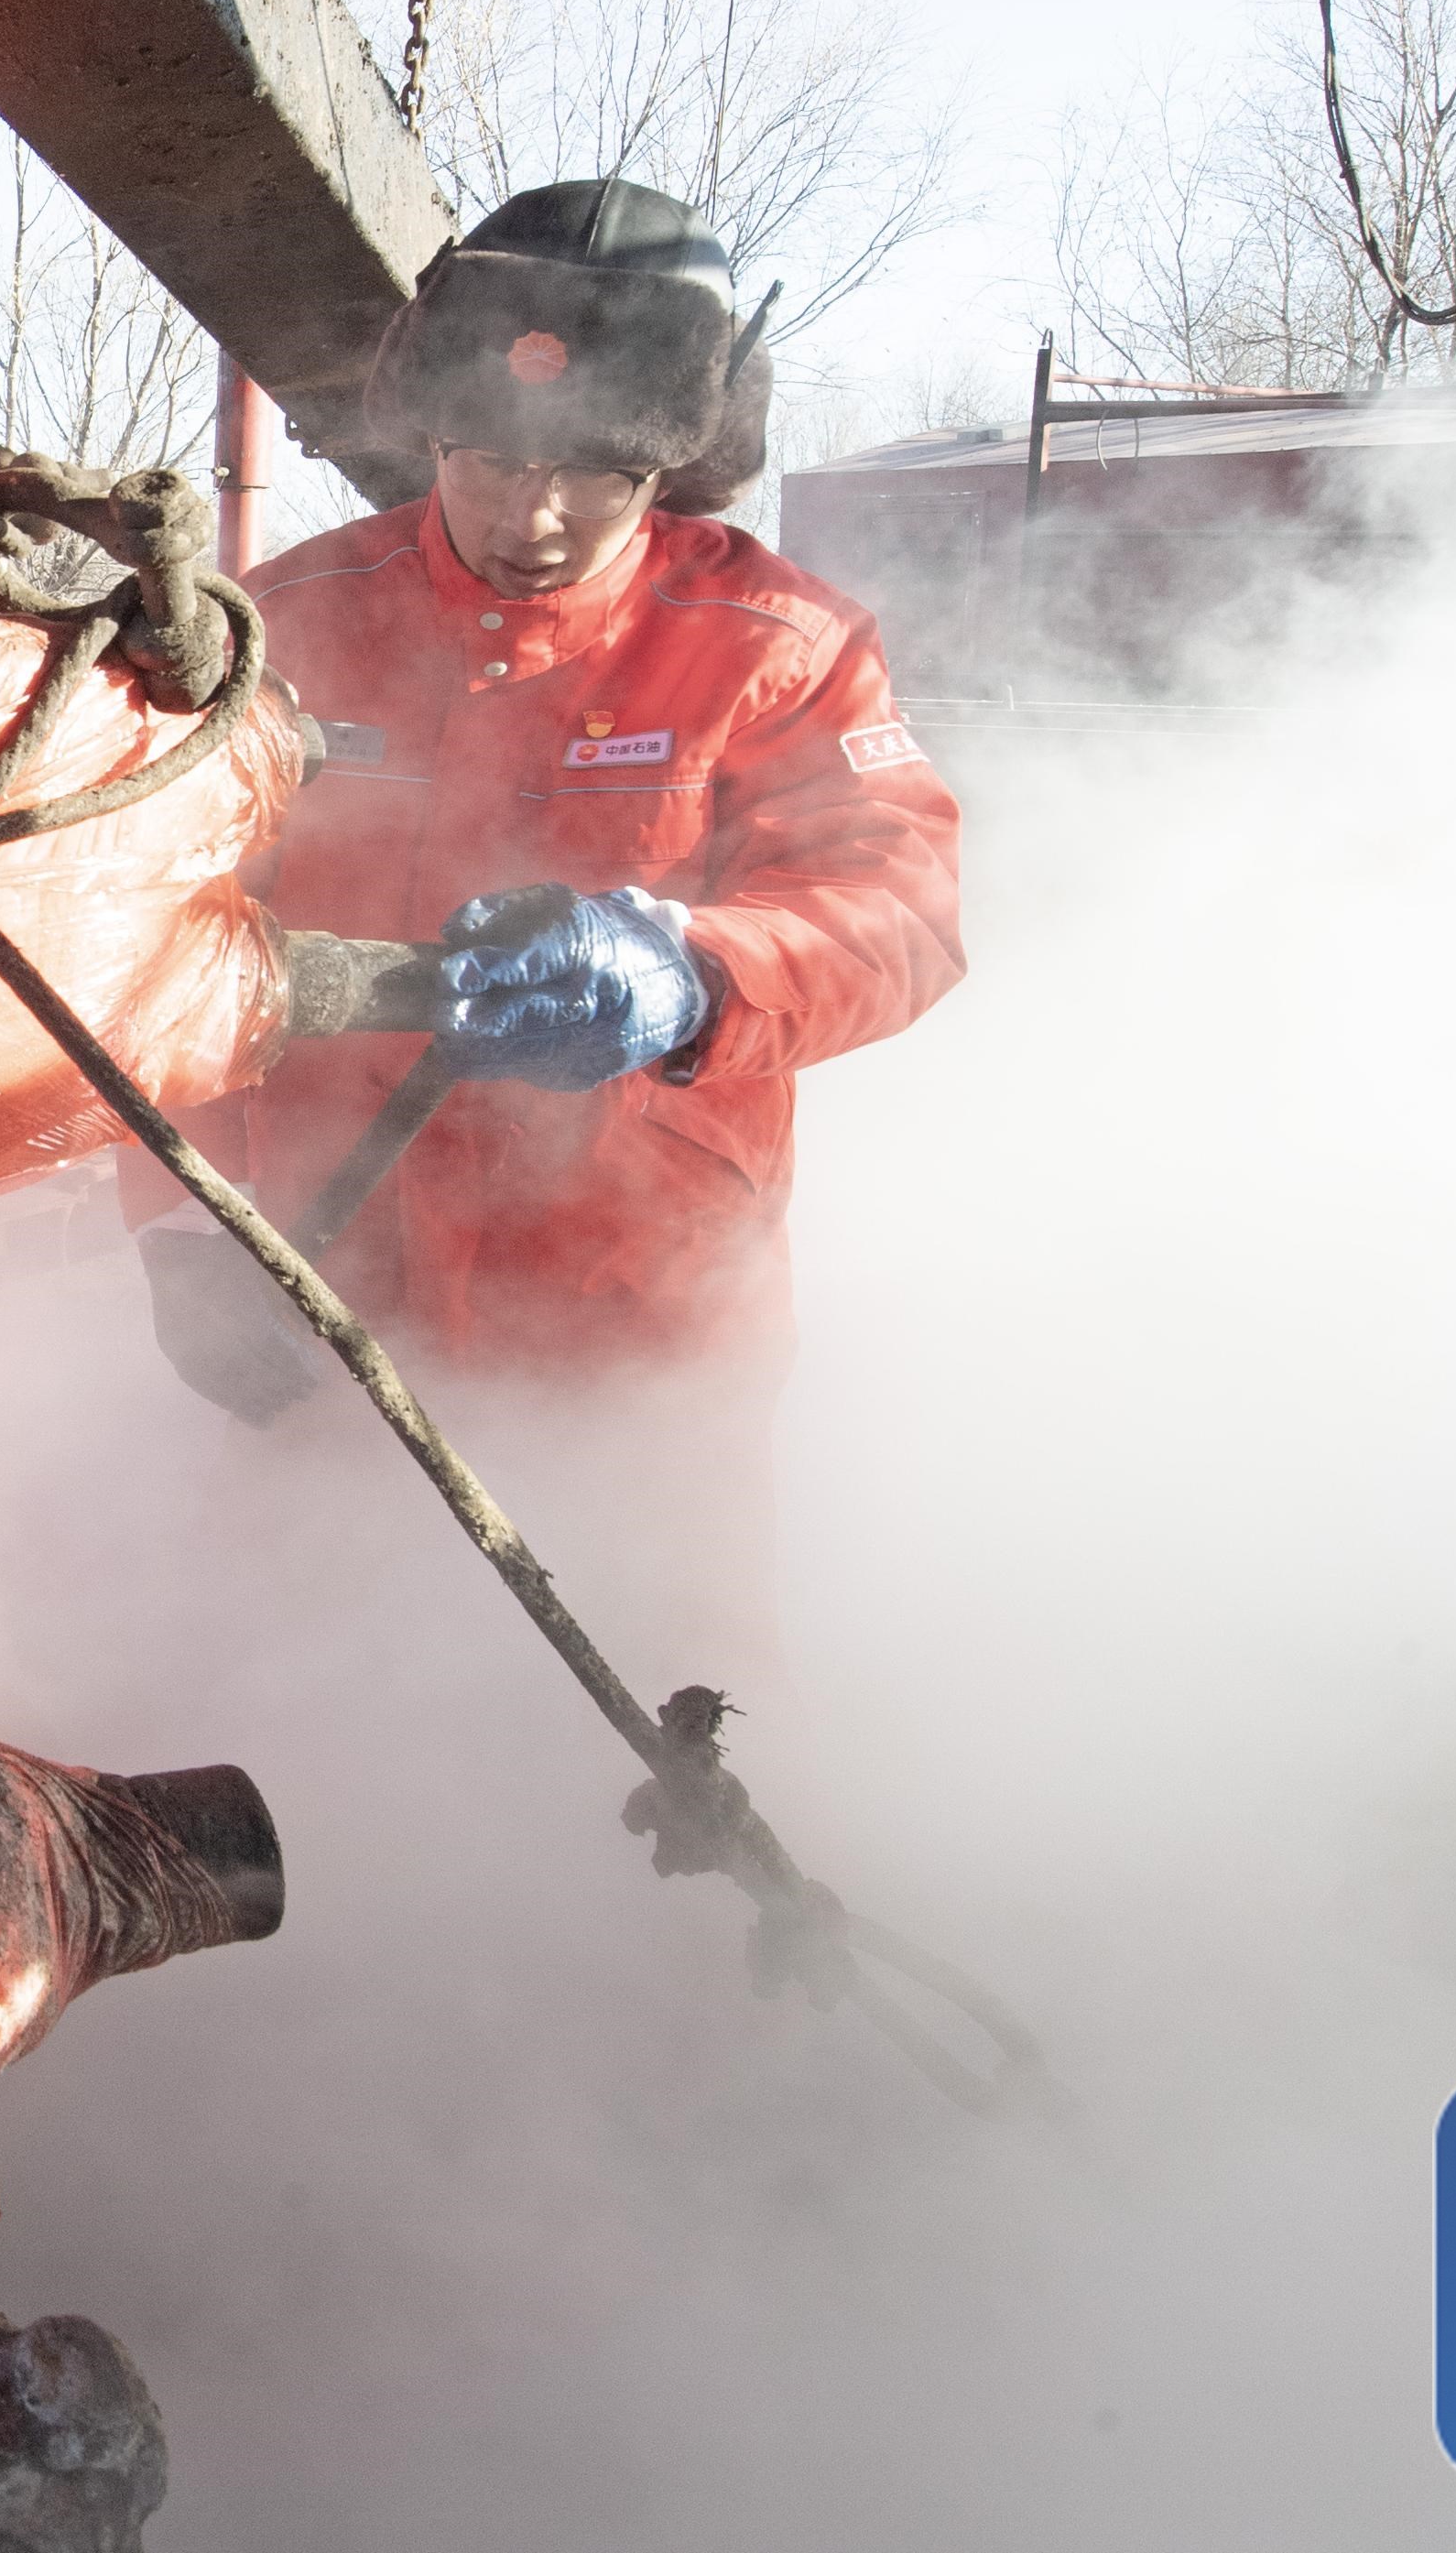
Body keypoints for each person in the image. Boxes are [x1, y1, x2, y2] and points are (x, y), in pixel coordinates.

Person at [144, 179, 964, 1677]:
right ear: (428, 428)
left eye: (597, 471)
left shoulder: (779, 650)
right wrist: (178, 1232)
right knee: (303, 1683)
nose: (533, 518)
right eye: (494, 458)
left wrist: (694, 975)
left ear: (679, 460)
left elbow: (898, 912)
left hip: (637, 1329)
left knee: (658, 1705)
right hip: (326, 1300)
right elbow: (150, 945)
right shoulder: (288, 627)